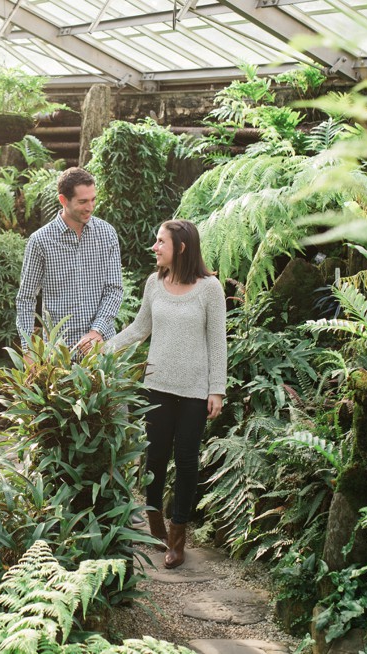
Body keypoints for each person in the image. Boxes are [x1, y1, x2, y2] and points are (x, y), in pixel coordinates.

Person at [105, 219, 227, 569]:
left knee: (186, 462)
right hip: (155, 387)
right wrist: (102, 349)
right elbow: (140, 329)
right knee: (154, 459)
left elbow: (217, 341)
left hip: (193, 392)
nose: (155, 247)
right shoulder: (154, 284)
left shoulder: (209, 288)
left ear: (181, 248)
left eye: (161, 242)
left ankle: (177, 537)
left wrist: (216, 389)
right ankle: (155, 528)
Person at [16, 167, 123, 358]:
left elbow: (114, 289)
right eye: (83, 201)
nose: (90, 207)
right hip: (60, 356)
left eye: (93, 199)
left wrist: (96, 331)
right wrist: (28, 350)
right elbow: (26, 298)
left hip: (101, 351)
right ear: (63, 200)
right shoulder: (40, 241)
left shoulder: (107, 234)